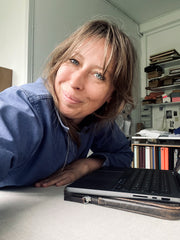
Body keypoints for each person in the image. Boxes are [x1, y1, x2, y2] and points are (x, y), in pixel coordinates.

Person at [0, 19, 136, 188]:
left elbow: (123, 154)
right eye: (74, 61)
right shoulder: (26, 106)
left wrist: (85, 165)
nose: (75, 83)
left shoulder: (96, 118)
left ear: (111, 95)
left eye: (99, 75)